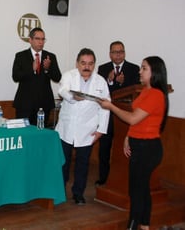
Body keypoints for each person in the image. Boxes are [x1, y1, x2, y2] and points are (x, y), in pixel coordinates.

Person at [98, 56, 168, 230]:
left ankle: (133, 225)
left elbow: (132, 118)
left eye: (144, 68)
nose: (140, 71)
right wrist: (129, 137)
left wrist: (111, 106)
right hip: (138, 144)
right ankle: (144, 225)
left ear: (155, 72)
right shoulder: (145, 90)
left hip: (148, 147)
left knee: (136, 189)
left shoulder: (156, 94)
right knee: (141, 188)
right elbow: (137, 120)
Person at [55, 48, 110, 205]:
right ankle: (59, 191)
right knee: (63, 162)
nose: (87, 67)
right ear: (77, 63)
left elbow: (105, 107)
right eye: (83, 63)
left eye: (90, 64)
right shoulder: (69, 75)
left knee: (83, 164)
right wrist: (72, 96)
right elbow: (62, 90)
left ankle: (78, 193)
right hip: (66, 128)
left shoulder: (100, 82)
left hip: (88, 129)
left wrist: (101, 130)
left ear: (94, 65)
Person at [96, 41, 140, 186]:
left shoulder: (134, 69)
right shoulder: (103, 69)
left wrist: (121, 83)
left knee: (125, 147)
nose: (118, 54)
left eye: (121, 51)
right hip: (107, 114)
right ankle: (104, 178)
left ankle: (123, 178)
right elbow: (101, 92)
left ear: (124, 53)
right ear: (110, 54)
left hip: (125, 114)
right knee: (104, 147)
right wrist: (110, 80)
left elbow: (134, 92)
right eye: (115, 52)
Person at [12, 27, 62, 126]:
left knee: (40, 135)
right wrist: (32, 69)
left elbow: (57, 77)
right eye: (37, 39)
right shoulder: (21, 56)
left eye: (43, 39)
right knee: (23, 135)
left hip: (44, 104)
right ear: (30, 40)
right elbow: (15, 76)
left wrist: (47, 69)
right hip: (24, 104)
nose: (41, 42)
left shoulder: (50, 56)